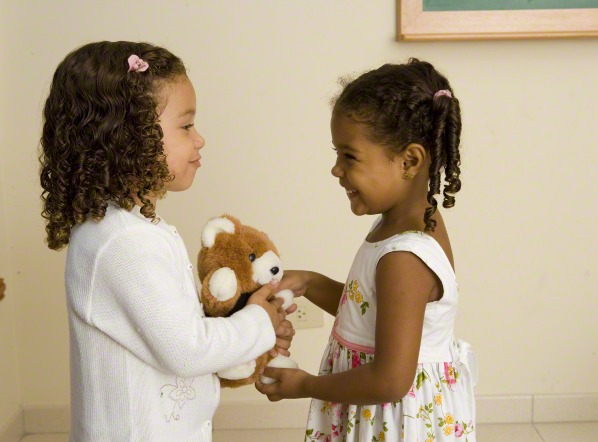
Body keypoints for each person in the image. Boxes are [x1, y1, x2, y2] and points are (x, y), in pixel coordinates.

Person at [39, 41, 294, 442]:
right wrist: (259, 321)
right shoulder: (124, 243)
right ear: (128, 136)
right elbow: (188, 349)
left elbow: (173, 332)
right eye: (186, 125)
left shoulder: (127, 230)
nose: (200, 139)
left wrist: (246, 327)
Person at [256, 59, 477, 441]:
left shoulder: (404, 258)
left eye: (349, 156)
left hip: (394, 422)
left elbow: (389, 380)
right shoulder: (406, 222)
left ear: (409, 161)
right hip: (382, 414)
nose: (336, 169)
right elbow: (374, 312)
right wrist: (311, 282)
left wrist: (304, 384)